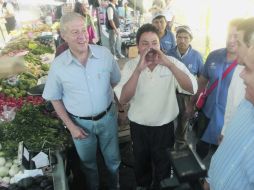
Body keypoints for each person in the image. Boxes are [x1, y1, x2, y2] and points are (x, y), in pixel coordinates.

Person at [42, 13, 121, 190]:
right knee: (88, 164)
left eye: (84, 30)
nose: (82, 36)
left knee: (113, 159)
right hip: (80, 125)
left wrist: (115, 106)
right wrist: (71, 126)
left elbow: (115, 81)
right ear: (64, 36)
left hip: (108, 118)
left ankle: (115, 185)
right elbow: (54, 98)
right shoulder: (58, 66)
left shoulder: (105, 55)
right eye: (75, 32)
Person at [116, 23, 197, 189]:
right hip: (139, 128)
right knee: (141, 162)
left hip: (164, 128)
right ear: (137, 46)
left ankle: (161, 186)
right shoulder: (131, 66)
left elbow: (191, 88)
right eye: (145, 43)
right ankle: (143, 186)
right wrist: (138, 70)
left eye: (154, 42)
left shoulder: (171, 63)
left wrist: (169, 64)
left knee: (164, 165)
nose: (150, 47)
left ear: (160, 45)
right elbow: (123, 98)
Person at [204, 17, 254, 190]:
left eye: (238, 40)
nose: (242, 75)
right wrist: (210, 179)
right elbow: (231, 107)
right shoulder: (246, 105)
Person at [187, 19, 243, 160]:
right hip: (207, 114)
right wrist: (191, 104)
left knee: (222, 155)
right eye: (228, 35)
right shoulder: (214, 56)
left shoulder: (246, 63)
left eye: (236, 36)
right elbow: (202, 83)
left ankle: (212, 180)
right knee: (200, 148)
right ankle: (197, 178)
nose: (231, 40)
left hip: (229, 120)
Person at [167, 25, 204, 149]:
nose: (182, 40)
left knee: (183, 121)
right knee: (169, 120)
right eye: (179, 37)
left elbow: (201, 79)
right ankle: (168, 144)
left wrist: (194, 102)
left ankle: (180, 145)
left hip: (187, 96)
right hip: (171, 93)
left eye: (186, 38)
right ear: (176, 38)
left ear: (190, 39)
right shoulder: (169, 53)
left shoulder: (197, 56)